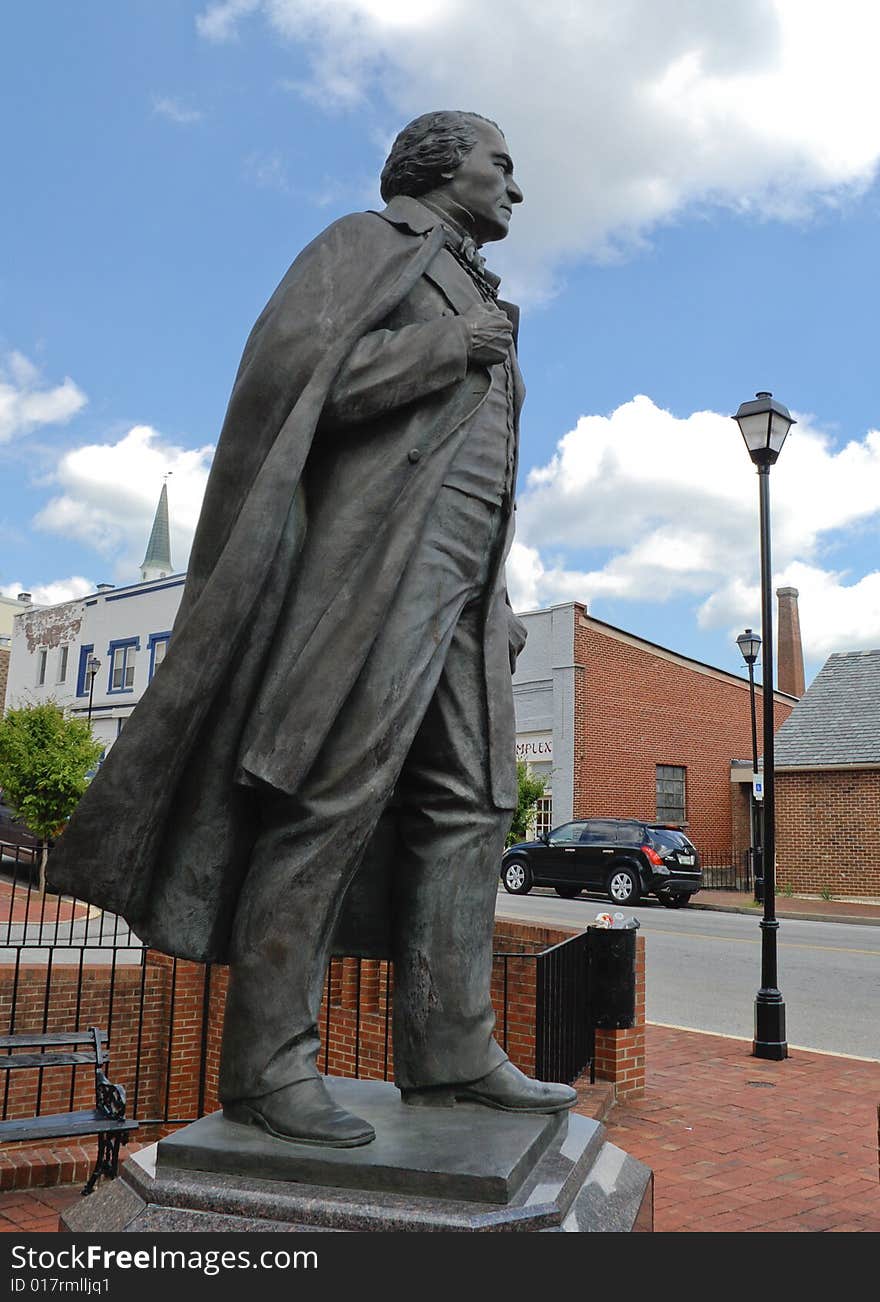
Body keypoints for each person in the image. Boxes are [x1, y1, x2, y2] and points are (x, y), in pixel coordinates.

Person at [47, 110, 576, 1147]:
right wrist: (445, 346)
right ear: (437, 166)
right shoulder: (362, 245)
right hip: (373, 582)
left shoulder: (470, 280)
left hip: (467, 601)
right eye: (500, 163)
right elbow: (295, 392)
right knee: (326, 796)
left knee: (470, 809)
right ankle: (267, 1070)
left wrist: (495, 603)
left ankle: (452, 1052)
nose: (517, 187)